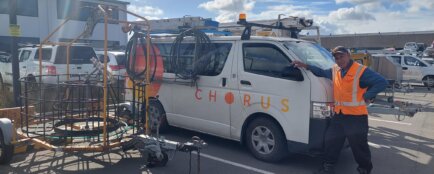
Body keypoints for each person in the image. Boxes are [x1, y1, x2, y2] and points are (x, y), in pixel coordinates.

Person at [292, 46, 388, 174]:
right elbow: (321, 72)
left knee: (359, 147)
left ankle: (364, 169)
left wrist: (367, 95)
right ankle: (328, 167)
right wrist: (305, 65)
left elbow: (382, 82)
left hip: (356, 118)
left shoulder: (360, 71)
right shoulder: (335, 70)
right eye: (336, 58)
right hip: (339, 115)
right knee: (331, 141)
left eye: (341, 56)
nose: (339, 60)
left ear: (348, 55)